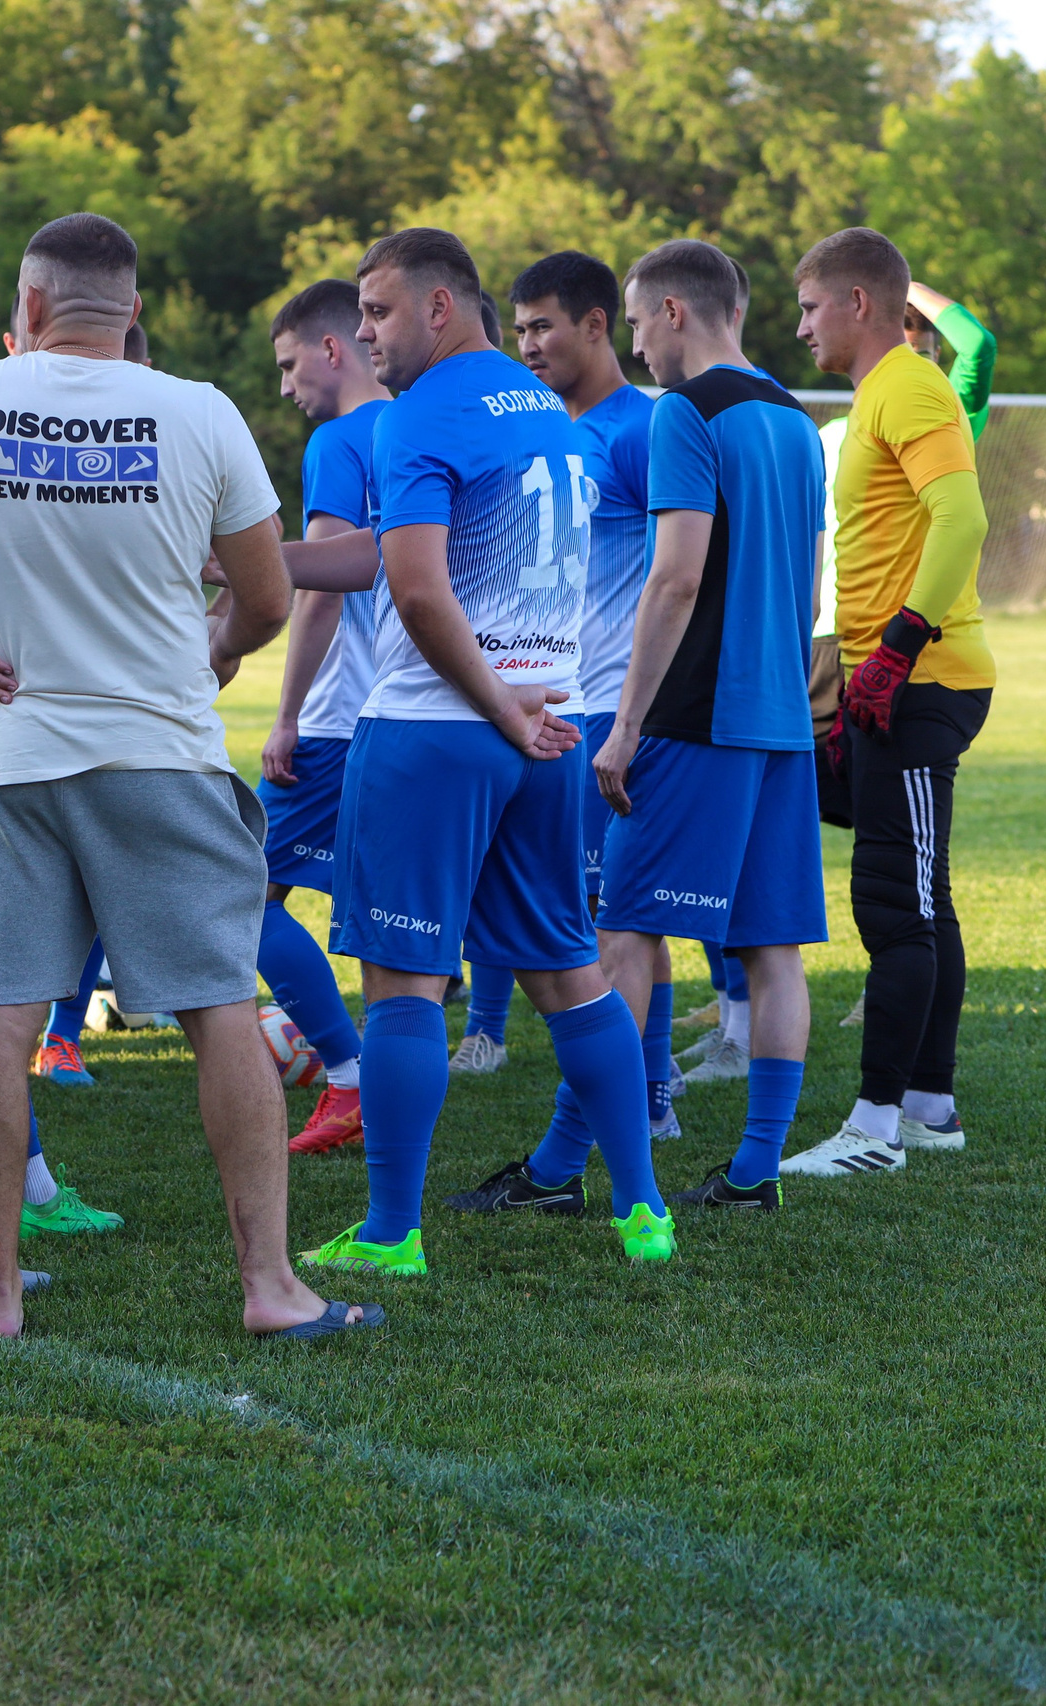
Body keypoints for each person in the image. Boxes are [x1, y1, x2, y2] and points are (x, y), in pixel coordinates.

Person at [0, 212, 372, 1339]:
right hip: (156, 752)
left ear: (31, 306)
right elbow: (261, 595)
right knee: (219, 1012)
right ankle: (268, 1286)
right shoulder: (198, 412)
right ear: (134, 312)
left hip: (6, 761)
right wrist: (214, 649)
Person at [284, 228, 675, 1276]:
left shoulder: (415, 417)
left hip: (439, 730)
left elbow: (414, 586)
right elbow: (413, 553)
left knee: (403, 984)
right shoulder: (544, 405)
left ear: (439, 308)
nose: (362, 335)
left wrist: (496, 705)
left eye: (375, 312)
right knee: (568, 974)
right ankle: (643, 1208)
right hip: (551, 727)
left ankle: (388, 1233)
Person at [528, 239, 828, 1213]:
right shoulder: (793, 417)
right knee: (770, 948)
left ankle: (560, 1167)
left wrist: (624, 726)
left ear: (669, 314)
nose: (639, 349)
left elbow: (676, 576)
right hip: (780, 720)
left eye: (635, 318)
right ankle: (755, 1169)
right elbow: (807, 575)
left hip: (696, 716)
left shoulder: (683, 416)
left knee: (622, 936)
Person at [786, 226, 993, 1176]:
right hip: (892, 683)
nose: (801, 329)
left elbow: (966, 518)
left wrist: (898, 648)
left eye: (809, 305)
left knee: (894, 904)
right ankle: (929, 1105)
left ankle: (874, 1131)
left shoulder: (909, 383)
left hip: (920, 681)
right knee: (918, 896)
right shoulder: (881, 393)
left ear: (859, 303)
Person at [482, 251, 683, 1144]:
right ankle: (651, 1078)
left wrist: (638, 710)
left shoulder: (642, 430)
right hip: (549, 702)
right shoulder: (538, 427)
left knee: (618, 912)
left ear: (597, 325)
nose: (528, 345)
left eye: (542, 327)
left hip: (610, 706)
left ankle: (645, 1097)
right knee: (617, 908)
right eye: (519, 328)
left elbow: (681, 568)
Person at [252, 279, 390, 1155]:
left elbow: (324, 590)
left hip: (344, 716)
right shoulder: (417, 425)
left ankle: (347, 1074)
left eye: (289, 362)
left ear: (333, 349)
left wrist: (287, 714)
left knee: (237, 893)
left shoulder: (341, 438)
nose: (284, 385)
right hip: (416, 713)